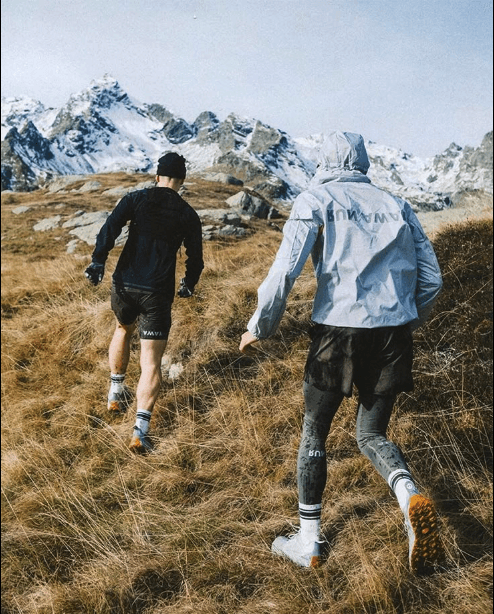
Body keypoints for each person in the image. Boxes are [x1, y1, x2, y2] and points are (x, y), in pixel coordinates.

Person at [239, 131, 444, 573]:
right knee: (371, 435)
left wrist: (260, 325)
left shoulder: (315, 200)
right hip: (391, 334)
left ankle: (308, 542)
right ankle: (409, 495)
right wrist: (405, 322)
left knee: (315, 429)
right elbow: (433, 279)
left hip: (338, 331)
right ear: (363, 161)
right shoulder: (398, 204)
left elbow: (284, 270)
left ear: (324, 162)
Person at [85, 152, 204, 453]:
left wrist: (98, 261)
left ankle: (115, 393)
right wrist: (189, 283)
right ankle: (140, 431)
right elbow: (196, 257)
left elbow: (109, 228)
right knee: (150, 361)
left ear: (157, 176)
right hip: (157, 292)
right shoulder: (187, 213)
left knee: (123, 329)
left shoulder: (135, 199)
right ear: (182, 180)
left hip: (124, 284)